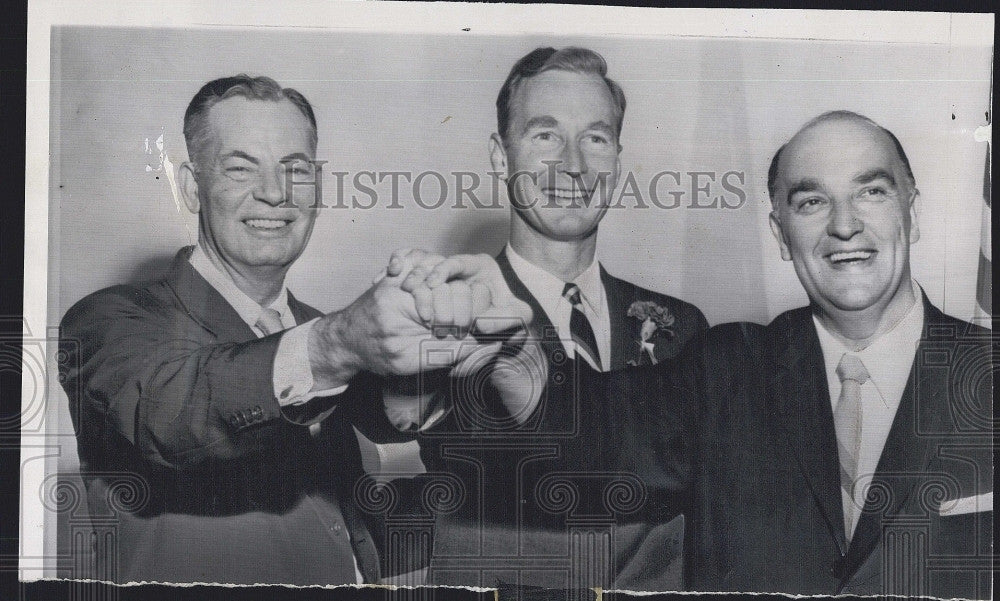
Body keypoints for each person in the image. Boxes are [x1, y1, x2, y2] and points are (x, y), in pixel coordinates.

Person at [413, 110, 992, 598]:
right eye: (811, 201)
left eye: (871, 191)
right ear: (781, 233)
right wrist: (521, 362)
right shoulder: (727, 367)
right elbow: (594, 432)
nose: (845, 224)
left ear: (911, 213)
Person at [58, 75, 530, 586]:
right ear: (192, 188)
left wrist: (466, 353)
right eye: (240, 168)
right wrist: (339, 341)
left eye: (296, 170)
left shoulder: (313, 326)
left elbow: (360, 493)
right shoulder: (110, 319)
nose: (275, 193)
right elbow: (170, 414)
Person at [415, 47, 707, 591]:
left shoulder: (684, 330)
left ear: (618, 160)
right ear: (501, 158)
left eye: (595, 138)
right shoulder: (448, 314)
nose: (573, 165)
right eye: (545, 136)